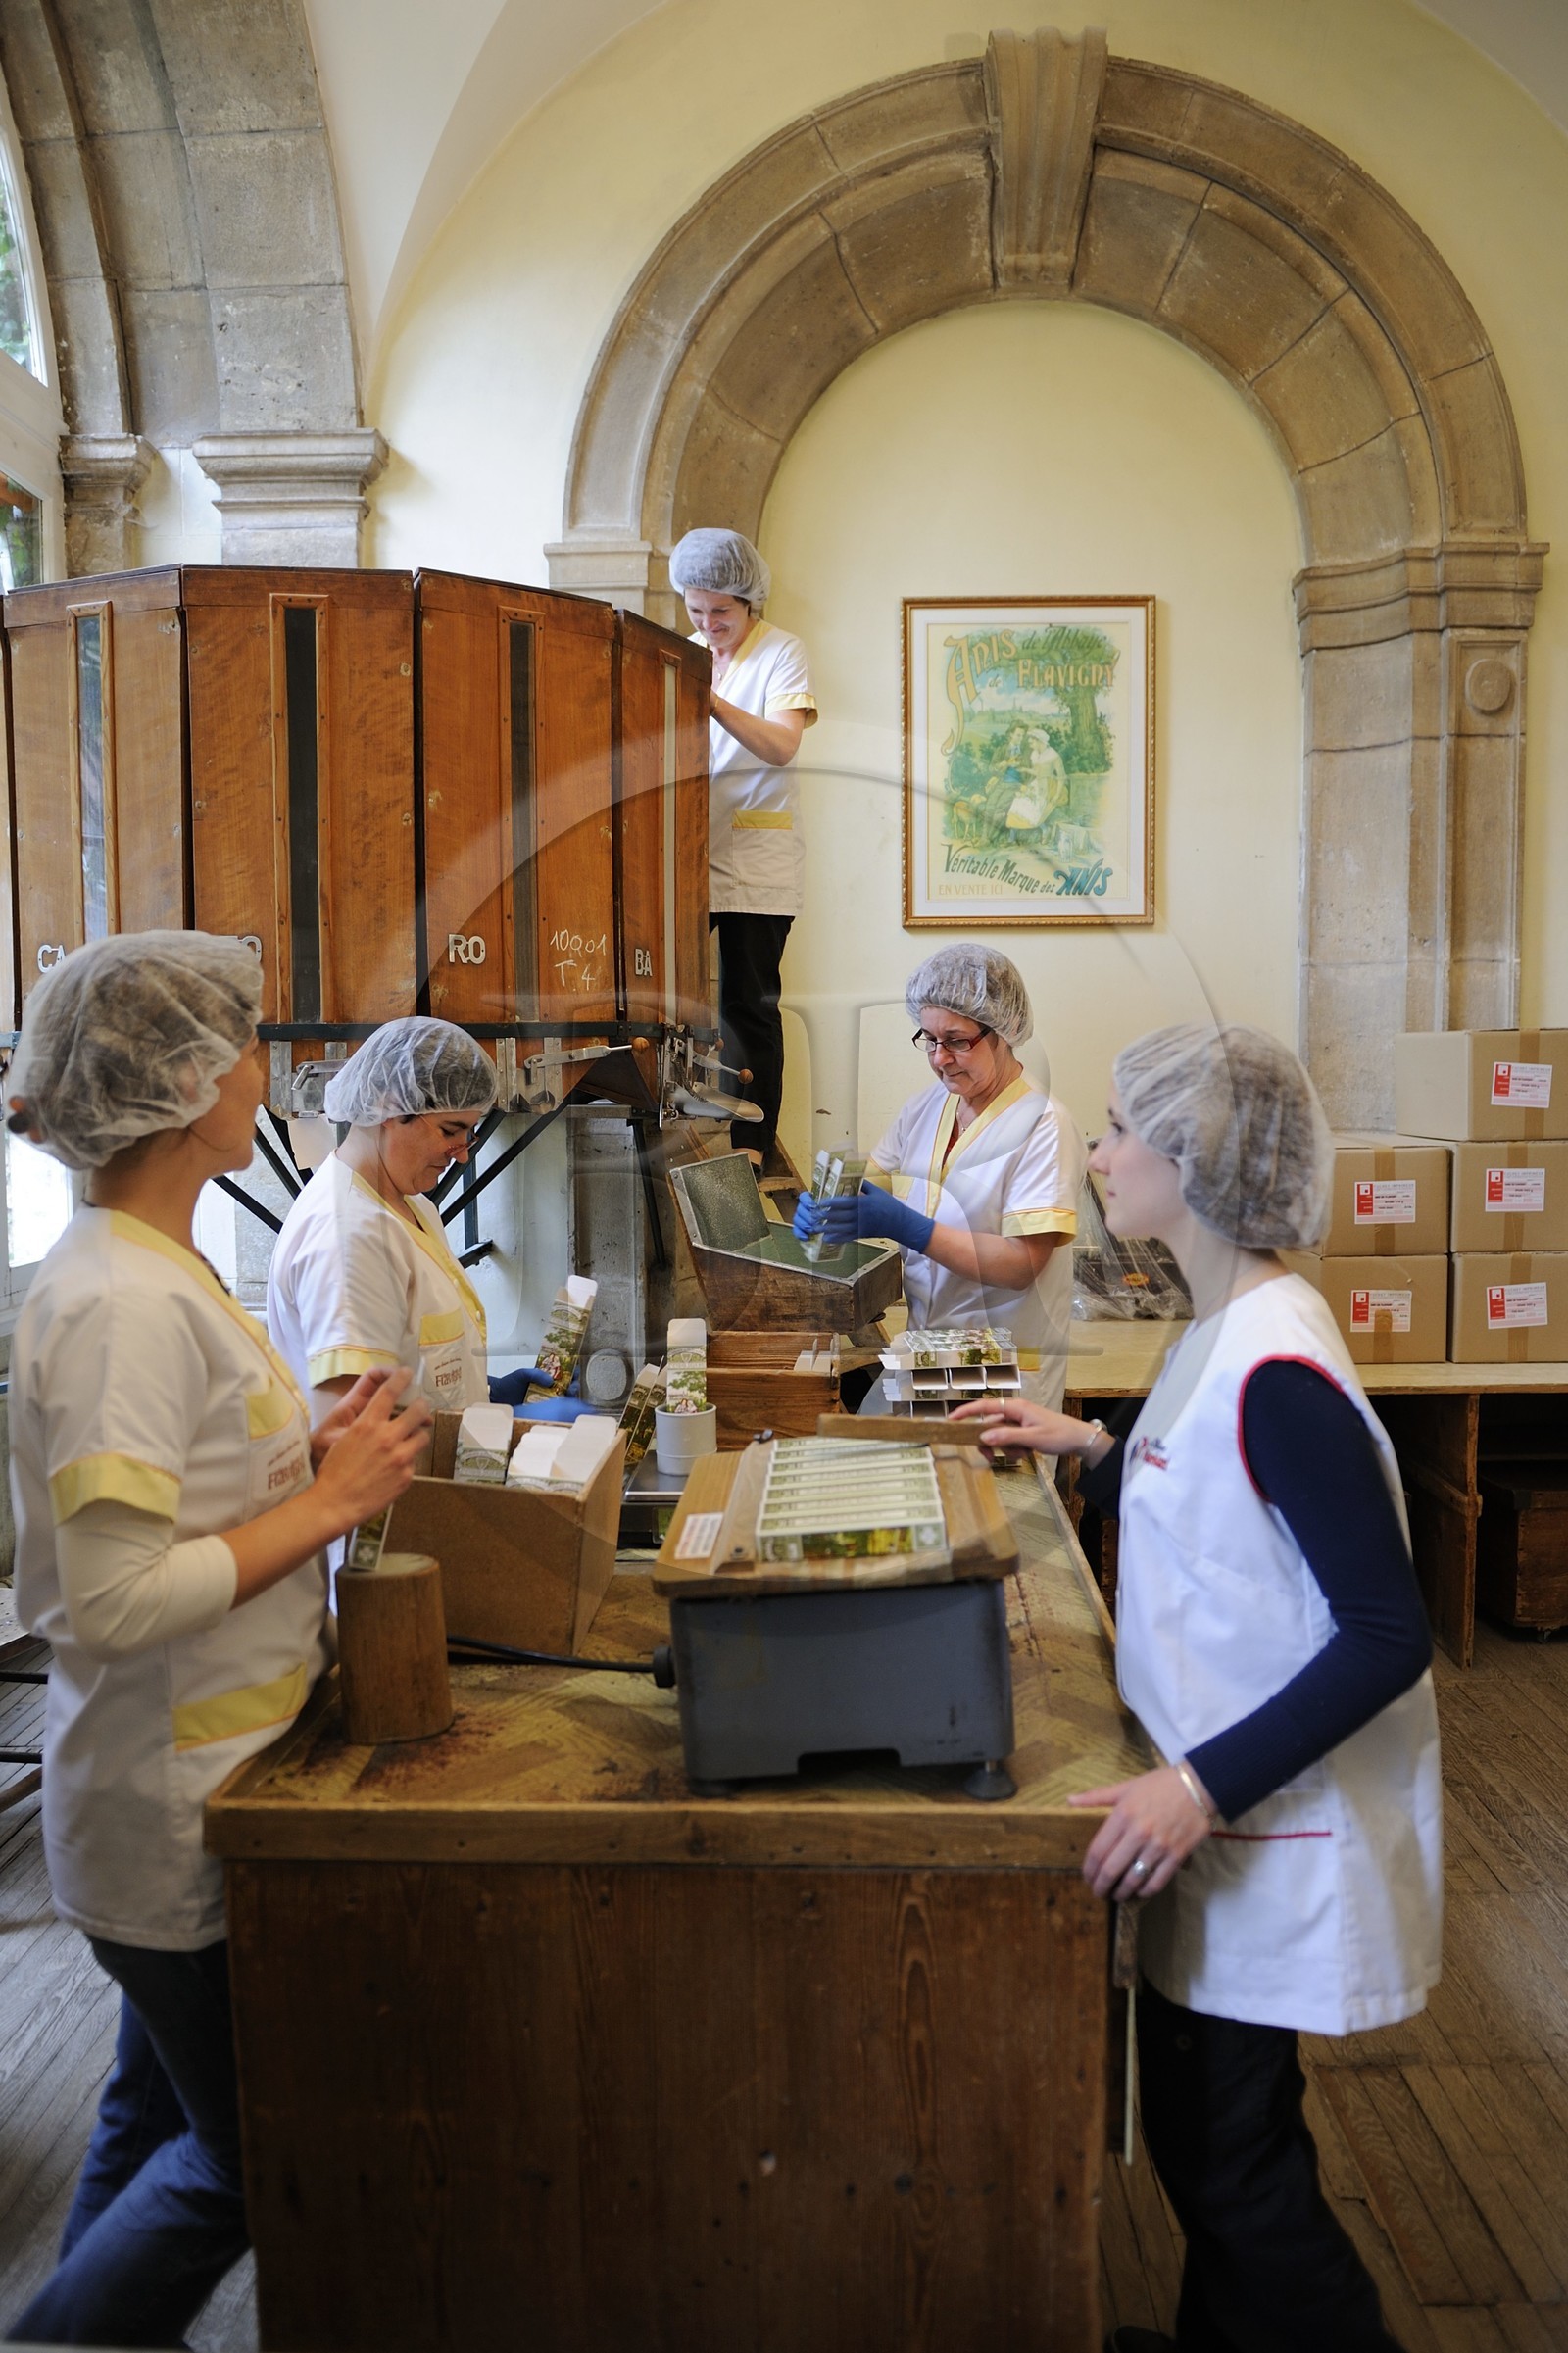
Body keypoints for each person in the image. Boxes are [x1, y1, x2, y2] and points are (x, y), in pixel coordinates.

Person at [954, 1023, 1441, 2353]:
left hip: (1263, 1823)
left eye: (1118, 1130)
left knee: (1238, 2170)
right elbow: (1207, 1493)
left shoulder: (1280, 1368)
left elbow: (1389, 1632)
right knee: (1204, 2134)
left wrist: (1195, 1786)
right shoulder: (1222, 1323)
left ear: (1192, 1156)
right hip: (1216, 1813)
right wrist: (1090, 1444)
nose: (1098, 1152)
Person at [3, 932, 431, 2347]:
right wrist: (326, 1504)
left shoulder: (152, 1264)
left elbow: (177, 1496)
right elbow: (107, 1600)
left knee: (145, 2114)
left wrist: (301, 1458)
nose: (266, 1066)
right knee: (248, 2156)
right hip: (167, 1800)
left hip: (198, 1776)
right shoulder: (119, 1300)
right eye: (248, 1042)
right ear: (191, 1086)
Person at [792, 944, 1086, 1410]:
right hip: (927, 1353)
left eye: (957, 1040)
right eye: (929, 1039)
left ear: (1003, 1031)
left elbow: (1021, 1264)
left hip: (1000, 1373)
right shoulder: (929, 1106)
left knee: (983, 1484)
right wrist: (832, 1199)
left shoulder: (1043, 1125)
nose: (939, 1058)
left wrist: (908, 1227)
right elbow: (880, 1178)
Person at [668, 525, 816, 1169]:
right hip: (692, 850)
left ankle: (751, 1148)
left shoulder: (782, 652)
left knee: (747, 1006)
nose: (708, 624)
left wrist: (712, 702)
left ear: (749, 600)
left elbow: (783, 745)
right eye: (696, 611)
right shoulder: (687, 651)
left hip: (759, 859)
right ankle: (679, 1119)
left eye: (720, 612)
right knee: (670, 996)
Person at [268, 1016, 500, 1423]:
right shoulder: (348, 1237)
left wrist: (485, 1397)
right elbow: (350, 1433)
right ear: (389, 1107)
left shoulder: (412, 1205)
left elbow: (415, 1362)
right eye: (451, 1131)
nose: (462, 1154)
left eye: (469, 1134)